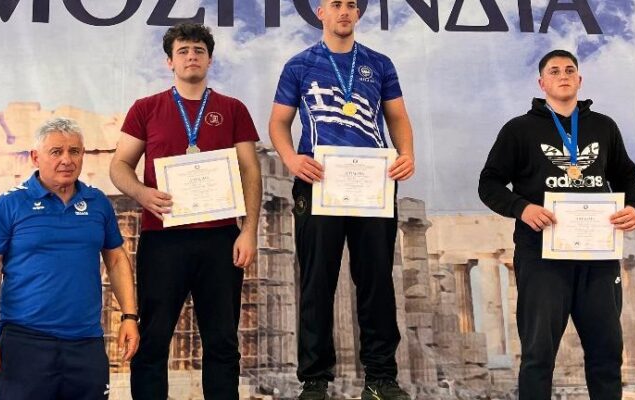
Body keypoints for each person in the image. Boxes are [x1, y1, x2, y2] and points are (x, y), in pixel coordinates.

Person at [268, 1, 415, 399]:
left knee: (376, 282)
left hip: (372, 182)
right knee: (317, 282)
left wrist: (406, 153)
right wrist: (291, 158)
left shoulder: (379, 63)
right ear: (321, 12)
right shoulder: (299, 65)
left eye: (351, 4)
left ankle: (380, 378)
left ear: (358, 14)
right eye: (336, 4)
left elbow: (397, 116)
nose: (345, 11)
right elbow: (279, 122)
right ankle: (315, 381)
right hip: (318, 181)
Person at [478, 49, 635, 399]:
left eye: (570, 70)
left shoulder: (604, 126)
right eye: (554, 71)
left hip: (598, 258)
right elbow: (489, 183)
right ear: (542, 83)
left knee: (606, 354)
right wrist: (522, 208)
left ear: (579, 80)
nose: (563, 75)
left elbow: (626, 176)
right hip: (541, 258)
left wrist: (634, 207)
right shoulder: (519, 129)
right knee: (538, 356)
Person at [110, 23, 261, 400]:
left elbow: (250, 170)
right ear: (169, 62)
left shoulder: (233, 108)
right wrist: (142, 192)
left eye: (198, 50)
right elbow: (119, 166)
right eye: (183, 51)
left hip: (220, 239)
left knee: (222, 341)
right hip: (163, 239)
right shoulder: (145, 108)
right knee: (152, 339)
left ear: (210, 59)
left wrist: (249, 230)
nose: (191, 56)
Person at [0, 117, 139, 400]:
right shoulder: (10, 204)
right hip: (25, 342)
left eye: (75, 151)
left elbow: (117, 260)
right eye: (56, 152)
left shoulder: (98, 202)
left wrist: (130, 316)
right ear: (36, 157)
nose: (67, 160)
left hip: (86, 343)